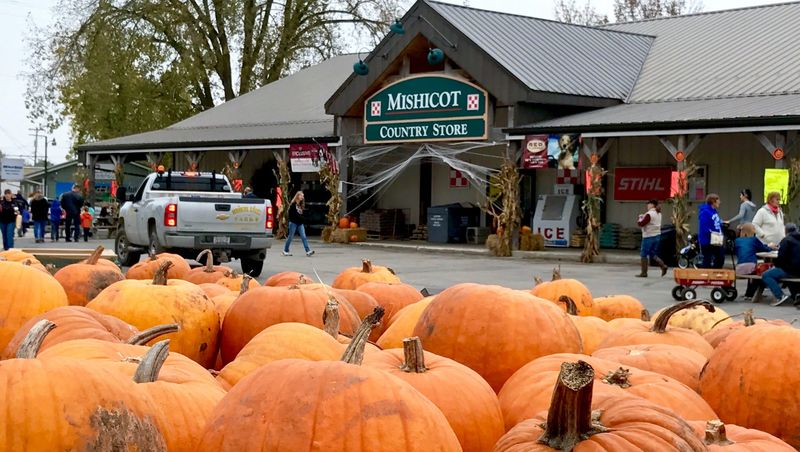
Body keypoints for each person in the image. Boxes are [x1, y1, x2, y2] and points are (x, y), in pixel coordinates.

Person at [762, 223, 800, 306]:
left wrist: (776, 265)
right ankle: (795, 295)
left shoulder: (786, 240)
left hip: (790, 270)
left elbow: (781, 257)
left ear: (785, 231)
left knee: (766, 275)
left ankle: (779, 296)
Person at [734, 223, 774, 300]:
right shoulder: (753, 240)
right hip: (751, 266)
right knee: (761, 274)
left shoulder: (737, 240)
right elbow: (764, 248)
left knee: (752, 273)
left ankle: (748, 294)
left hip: (739, 268)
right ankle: (753, 294)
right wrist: (771, 247)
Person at [636, 199, 668, 277]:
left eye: (648, 204)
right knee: (652, 253)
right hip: (657, 236)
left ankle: (644, 272)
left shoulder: (649, 214)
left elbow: (641, 223)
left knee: (644, 254)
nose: (647, 205)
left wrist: (640, 218)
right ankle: (663, 265)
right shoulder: (659, 214)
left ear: (652, 205)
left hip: (648, 236)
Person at [281, 191, 314, 257]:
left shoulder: (300, 205)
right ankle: (285, 250)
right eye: (301, 195)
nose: (302, 197)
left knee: (303, 237)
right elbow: (294, 215)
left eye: (303, 196)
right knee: (290, 237)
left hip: (300, 224)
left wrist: (306, 217)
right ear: (297, 196)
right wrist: (304, 219)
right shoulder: (293, 205)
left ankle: (308, 251)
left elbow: (301, 213)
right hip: (293, 223)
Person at [698, 193, 725, 269]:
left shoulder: (714, 211)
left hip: (716, 240)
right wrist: (711, 233)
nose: (719, 202)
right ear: (713, 201)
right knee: (707, 260)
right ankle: (707, 278)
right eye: (718, 200)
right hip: (708, 240)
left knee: (720, 257)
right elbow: (704, 226)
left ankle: (715, 274)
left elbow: (716, 223)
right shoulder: (705, 212)